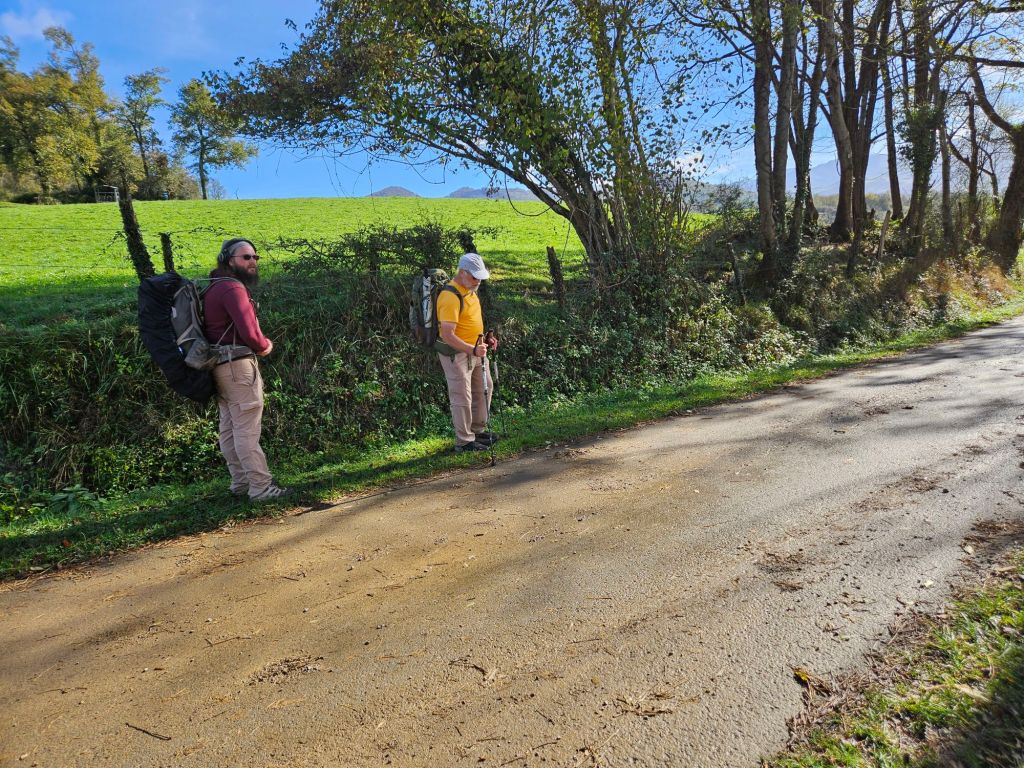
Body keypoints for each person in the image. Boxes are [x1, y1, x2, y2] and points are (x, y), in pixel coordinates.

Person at [202, 238, 288, 500]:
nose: (252, 262)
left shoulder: (213, 287)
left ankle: (240, 483)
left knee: (229, 426)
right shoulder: (232, 288)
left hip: (218, 365)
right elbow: (250, 332)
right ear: (229, 260)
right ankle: (261, 487)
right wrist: (265, 346)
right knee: (246, 428)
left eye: (254, 257)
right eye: (246, 257)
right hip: (238, 367)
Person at [436, 252, 499, 453]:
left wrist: (486, 339)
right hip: (456, 354)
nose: (478, 281)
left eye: (480, 277)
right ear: (462, 272)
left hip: (476, 350)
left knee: (484, 387)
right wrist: (472, 349)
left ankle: (477, 431)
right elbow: (448, 335)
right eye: (474, 277)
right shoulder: (449, 296)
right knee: (462, 396)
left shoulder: (470, 291)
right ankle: (464, 441)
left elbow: (470, 322)